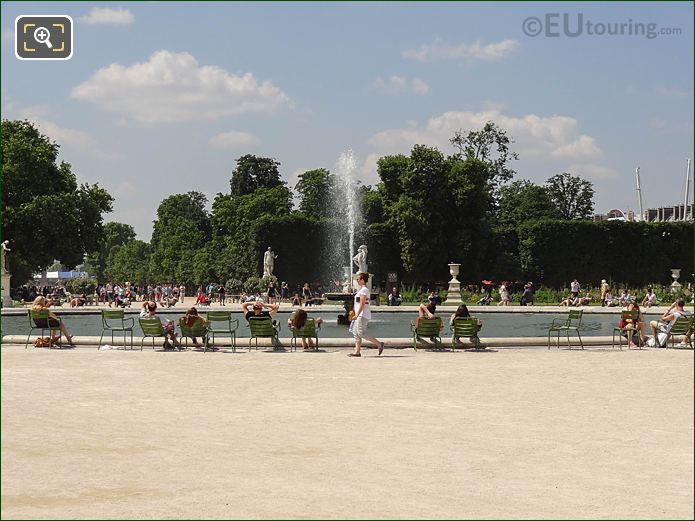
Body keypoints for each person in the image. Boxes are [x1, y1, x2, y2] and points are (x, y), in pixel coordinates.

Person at [348, 272, 384, 357]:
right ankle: (357, 352)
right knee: (355, 333)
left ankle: (379, 344)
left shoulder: (364, 290)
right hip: (359, 314)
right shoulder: (361, 290)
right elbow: (358, 303)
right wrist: (353, 311)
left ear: (362, 280)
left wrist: (357, 314)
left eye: (358, 279)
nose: (357, 280)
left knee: (361, 333)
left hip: (362, 315)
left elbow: (362, 303)